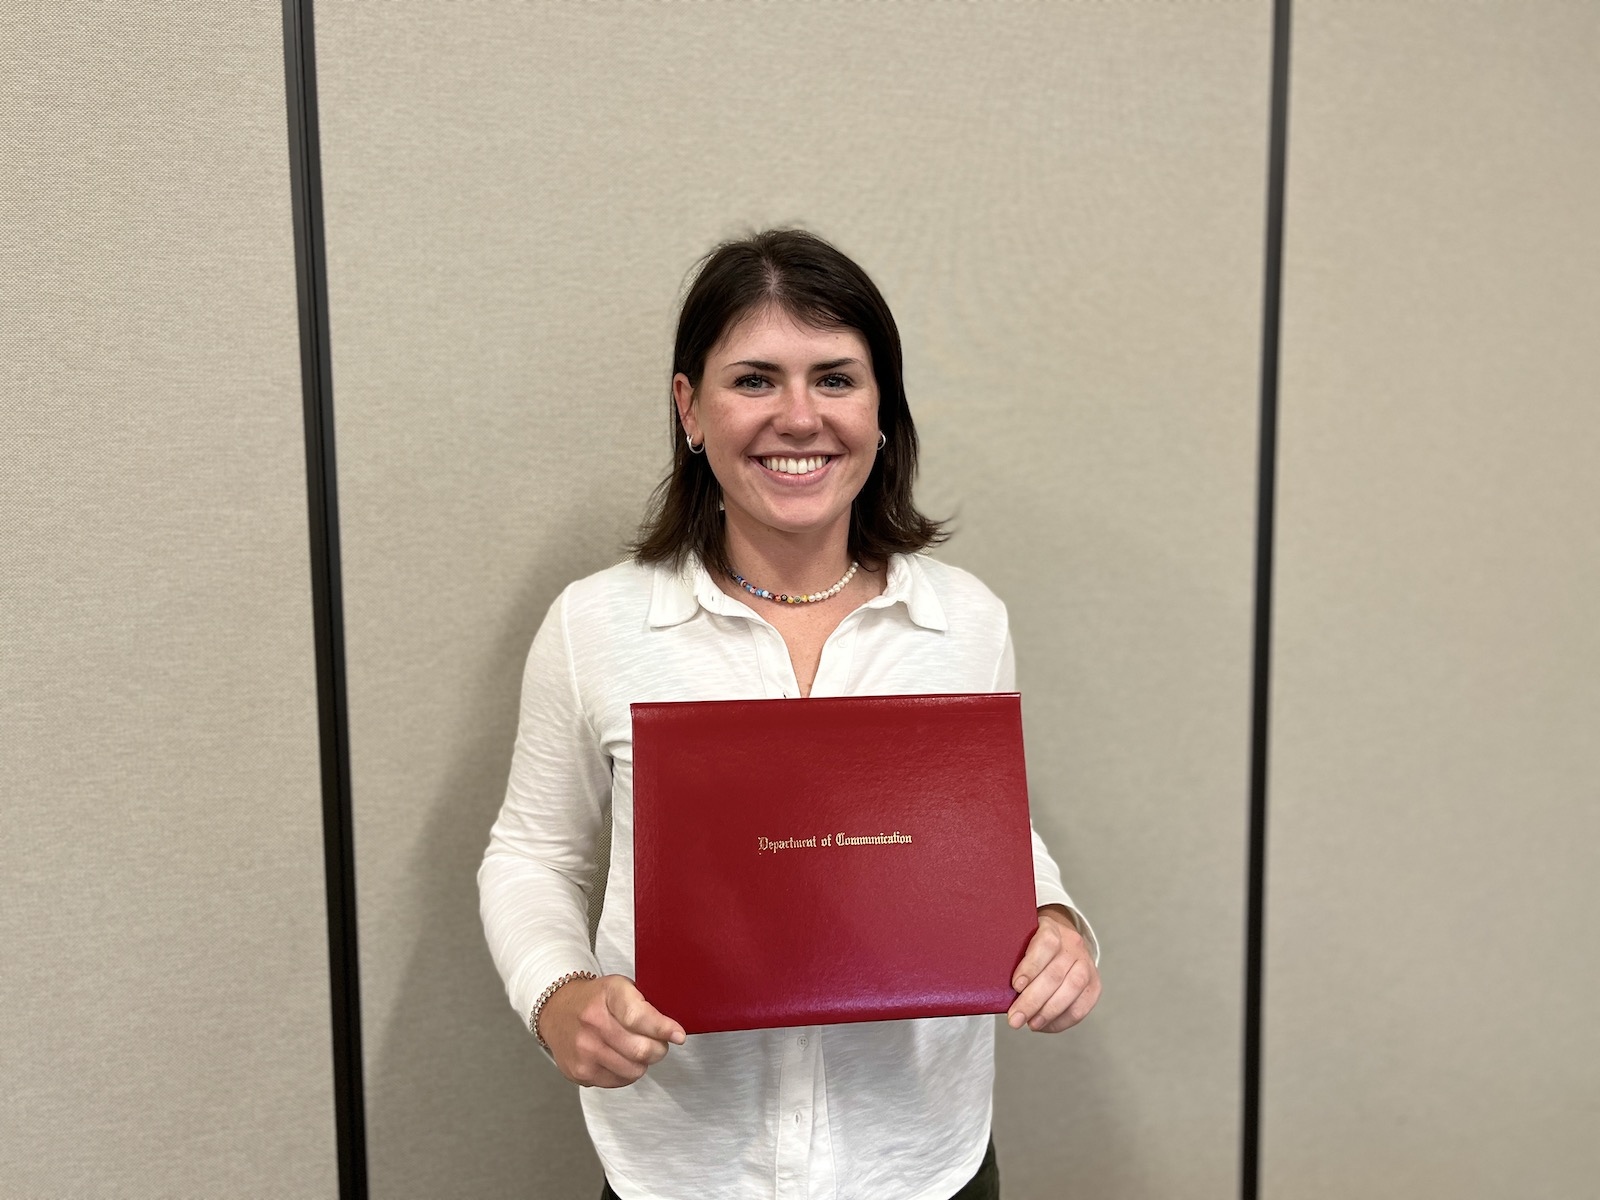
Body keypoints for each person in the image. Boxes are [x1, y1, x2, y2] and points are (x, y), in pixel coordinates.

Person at [479, 229, 1101, 1200]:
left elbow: (985, 835)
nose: (799, 418)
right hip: (680, 1167)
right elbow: (531, 854)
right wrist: (559, 1001)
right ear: (690, 407)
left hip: (921, 1163)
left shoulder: (965, 620)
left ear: (882, 409)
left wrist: (1056, 920)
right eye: (756, 380)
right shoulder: (596, 624)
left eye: (836, 379)